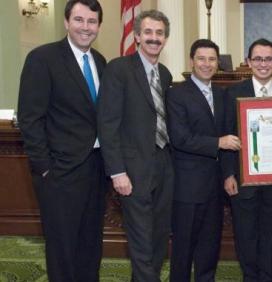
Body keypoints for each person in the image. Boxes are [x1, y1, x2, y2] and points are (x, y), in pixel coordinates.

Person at [17, 1, 107, 281]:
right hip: (59, 172)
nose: (85, 27)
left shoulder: (101, 62)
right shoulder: (42, 58)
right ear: (66, 22)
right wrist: (45, 168)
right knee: (62, 248)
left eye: (92, 22)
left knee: (91, 245)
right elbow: (30, 118)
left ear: (99, 26)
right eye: (79, 20)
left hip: (96, 168)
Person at [97, 10, 174, 281]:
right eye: (149, 33)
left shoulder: (164, 74)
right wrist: (117, 172)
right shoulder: (118, 69)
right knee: (140, 240)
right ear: (138, 36)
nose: (154, 38)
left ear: (165, 38)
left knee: (158, 237)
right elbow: (108, 124)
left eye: (160, 33)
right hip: (132, 170)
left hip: (164, 166)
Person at [167, 39, 241, 282]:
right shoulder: (176, 93)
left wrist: (229, 173)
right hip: (187, 188)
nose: (207, 64)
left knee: (210, 247)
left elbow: (231, 134)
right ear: (192, 61)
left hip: (215, 187)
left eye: (212, 59)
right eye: (201, 58)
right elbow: (180, 138)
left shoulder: (222, 95)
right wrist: (217, 142)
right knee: (183, 249)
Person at [223, 38, 272, 282]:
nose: (263, 64)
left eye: (269, 59)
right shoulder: (232, 93)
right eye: (258, 59)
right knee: (246, 236)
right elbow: (225, 134)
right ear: (249, 62)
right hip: (243, 183)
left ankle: (268, 277)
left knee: (270, 235)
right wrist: (228, 174)